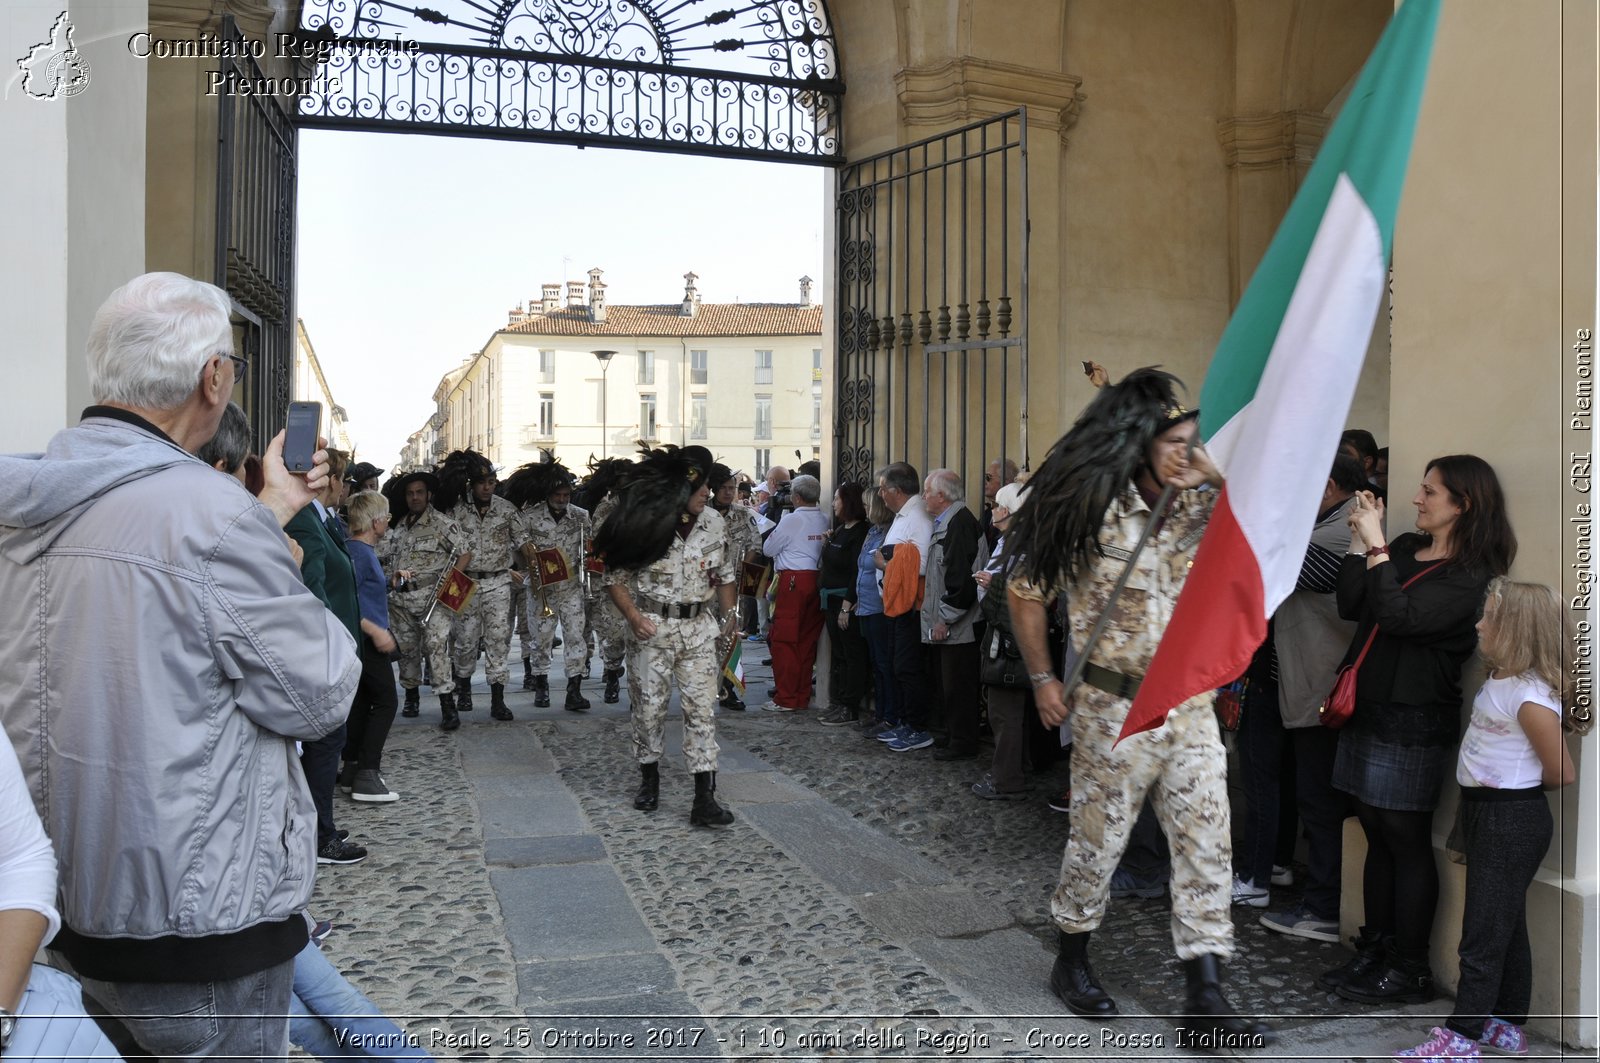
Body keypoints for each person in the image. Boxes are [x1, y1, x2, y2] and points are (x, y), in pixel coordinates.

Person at [0, 271, 361, 1058]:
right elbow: (321, 692)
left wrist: (267, 512)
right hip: (194, 925)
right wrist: (273, 545)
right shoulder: (211, 515)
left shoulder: (23, 498)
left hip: (51, 913)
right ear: (215, 378)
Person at [1005, 368, 1270, 1043]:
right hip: (1111, 706)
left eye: (1194, 439)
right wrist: (1043, 677)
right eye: (1175, 441)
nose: (1186, 450)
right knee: (1097, 841)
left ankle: (1206, 993)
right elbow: (1026, 590)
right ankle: (1072, 957)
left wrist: (1217, 477)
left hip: (1188, 708)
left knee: (1207, 840)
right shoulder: (1093, 507)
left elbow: (1265, 534)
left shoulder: (1207, 504)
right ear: (1144, 444)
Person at [1329, 454, 1516, 1006]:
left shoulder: (1473, 577)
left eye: (1430, 492)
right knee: (1373, 832)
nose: (1416, 498)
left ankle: (1410, 968)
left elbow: (1402, 619)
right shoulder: (1406, 548)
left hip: (1414, 715)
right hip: (1366, 705)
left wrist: (1378, 547)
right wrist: (1364, 544)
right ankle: (1376, 948)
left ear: (1465, 505)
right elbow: (1350, 603)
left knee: (1405, 839)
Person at [1394, 579, 1581, 1062]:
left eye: (1489, 616)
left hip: (1511, 820)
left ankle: (1462, 1036)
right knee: (1504, 923)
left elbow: (1562, 771)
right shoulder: (1502, 680)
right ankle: (1507, 1022)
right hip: (1487, 815)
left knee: (1481, 932)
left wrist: (1507, 783)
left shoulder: (1531, 696)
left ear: (1515, 629)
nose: (1479, 623)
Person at [597, 446, 739, 827]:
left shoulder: (714, 523)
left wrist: (730, 617)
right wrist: (632, 615)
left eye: (709, 485)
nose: (708, 492)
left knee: (702, 711)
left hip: (698, 630)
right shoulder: (647, 523)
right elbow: (615, 579)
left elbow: (725, 574)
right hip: (653, 630)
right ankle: (649, 780)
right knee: (648, 709)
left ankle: (704, 798)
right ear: (681, 490)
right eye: (701, 486)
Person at [1257, 453, 1366, 941]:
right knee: (1316, 799)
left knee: (1321, 803)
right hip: (1311, 684)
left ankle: (1324, 908)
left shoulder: (1337, 532)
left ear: (1326, 486)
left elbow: (1266, 571)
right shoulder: (1329, 523)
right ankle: (1323, 900)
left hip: (1324, 691)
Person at [288, 446, 370, 865]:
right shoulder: (306, 520)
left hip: (334, 646)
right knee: (325, 742)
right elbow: (312, 586)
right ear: (332, 481)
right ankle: (319, 837)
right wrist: (332, 645)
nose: (346, 489)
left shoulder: (323, 520)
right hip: (323, 651)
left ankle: (320, 827)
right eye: (345, 480)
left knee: (328, 742)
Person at [439, 450, 528, 720]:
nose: (488, 487)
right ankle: (464, 688)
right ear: (471, 484)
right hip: (465, 582)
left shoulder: (506, 508)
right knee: (465, 640)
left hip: (498, 581)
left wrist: (529, 564)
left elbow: (522, 539)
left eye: (491, 482)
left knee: (498, 639)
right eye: (482, 483)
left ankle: (498, 698)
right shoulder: (456, 509)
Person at [383, 469, 470, 728]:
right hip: (402, 602)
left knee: (436, 646)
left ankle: (447, 704)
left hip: (434, 599)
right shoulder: (399, 525)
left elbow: (464, 554)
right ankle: (411, 697)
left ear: (429, 494)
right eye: (410, 493)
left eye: (419, 492)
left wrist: (450, 583)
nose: (415, 497)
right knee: (407, 650)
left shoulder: (442, 523)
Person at [972, 480, 1034, 797]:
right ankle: (1012, 770)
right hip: (1006, 638)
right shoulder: (1009, 542)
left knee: (1005, 713)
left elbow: (1017, 599)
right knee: (1006, 712)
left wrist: (990, 584)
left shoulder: (1020, 547)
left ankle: (1007, 778)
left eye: (997, 505)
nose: (993, 511)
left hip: (1010, 643)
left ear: (1007, 511)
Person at [340, 489, 403, 802]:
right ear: (376, 522)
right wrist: (376, 631)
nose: (388, 522)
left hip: (363, 638)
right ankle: (367, 771)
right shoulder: (359, 553)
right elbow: (348, 599)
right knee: (386, 702)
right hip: (367, 639)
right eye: (386, 516)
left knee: (363, 704)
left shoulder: (357, 550)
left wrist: (390, 582)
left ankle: (353, 769)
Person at [920, 469, 984, 759]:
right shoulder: (948, 522)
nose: (924, 497)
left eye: (927, 491)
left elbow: (961, 579)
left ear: (941, 496)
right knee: (949, 684)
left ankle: (963, 741)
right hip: (949, 622)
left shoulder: (958, 524)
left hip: (960, 625)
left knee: (959, 685)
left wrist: (945, 618)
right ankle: (953, 735)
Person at [872, 461, 935, 750]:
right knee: (898, 665)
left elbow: (921, 564)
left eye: (883, 489)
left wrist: (887, 564)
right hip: (895, 603)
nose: (880, 495)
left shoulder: (918, 516)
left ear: (895, 490)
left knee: (908, 667)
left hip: (910, 605)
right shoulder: (902, 514)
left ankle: (917, 726)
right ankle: (904, 722)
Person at [521, 461, 593, 712]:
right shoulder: (530, 517)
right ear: (548, 495)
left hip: (571, 586)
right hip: (541, 588)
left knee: (576, 637)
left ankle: (574, 689)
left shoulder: (581, 516)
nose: (562, 499)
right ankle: (541, 684)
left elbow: (588, 549)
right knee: (541, 639)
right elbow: (520, 552)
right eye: (557, 495)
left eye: (566, 495)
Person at [761, 473, 830, 712]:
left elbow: (768, 549)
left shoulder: (792, 519)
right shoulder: (824, 518)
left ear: (797, 497)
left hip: (793, 581)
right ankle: (799, 695)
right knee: (806, 640)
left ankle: (787, 698)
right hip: (815, 579)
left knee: (785, 641)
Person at [575, 456, 635, 704]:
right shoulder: (605, 507)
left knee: (638, 635)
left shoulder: (642, 505)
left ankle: (636, 686)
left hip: (641, 578)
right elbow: (599, 544)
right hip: (613, 577)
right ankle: (611, 674)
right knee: (613, 634)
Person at [709, 463, 763, 710]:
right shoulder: (702, 513)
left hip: (731, 589)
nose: (729, 493)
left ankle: (728, 689)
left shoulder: (743, 515)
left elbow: (756, 544)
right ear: (713, 489)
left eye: (732, 488)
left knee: (731, 638)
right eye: (724, 488)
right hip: (704, 589)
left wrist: (742, 568)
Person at [818, 482, 870, 725]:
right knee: (839, 655)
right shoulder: (839, 530)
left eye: (837, 498)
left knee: (852, 655)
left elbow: (855, 572)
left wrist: (846, 607)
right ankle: (839, 701)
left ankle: (850, 706)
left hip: (844, 604)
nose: (833, 503)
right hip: (831, 601)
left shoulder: (860, 532)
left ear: (848, 502)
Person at [854, 487, 899, 737]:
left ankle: (890, 715)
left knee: (884, 663)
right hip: (867, 605)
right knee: (876, 662)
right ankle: (880, 712)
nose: (865, 510)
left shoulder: (889, 533)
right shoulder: (872, 531)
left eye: (868, 505)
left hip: (881, 606)